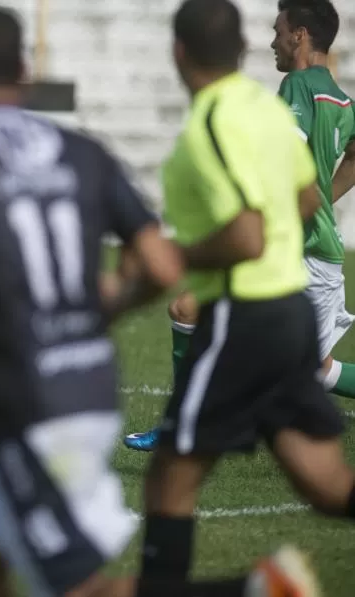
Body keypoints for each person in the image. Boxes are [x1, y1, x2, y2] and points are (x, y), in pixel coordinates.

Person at [0, 5, 319, 596]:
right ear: (24, 69)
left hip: (25, 400)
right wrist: (111, 306)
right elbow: (160, 263)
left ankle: (257, 589)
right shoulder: (81, 152)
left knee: (77, 589)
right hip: (87, 382)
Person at [139, 0, 355, 591]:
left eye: (280, 30)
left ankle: (249, 588)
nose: (272, 41)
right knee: (326, 481)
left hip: (253, 305)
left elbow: (251, 231)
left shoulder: (269, 102)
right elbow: (309, 196)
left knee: (172, 475)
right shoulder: (310, 100)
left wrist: (173, 256)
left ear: (179, 53)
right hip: (288, 289)